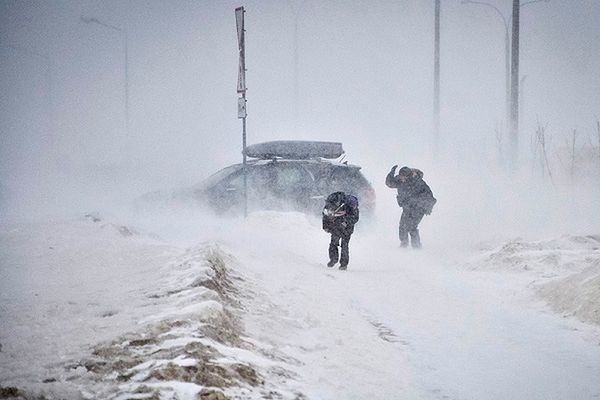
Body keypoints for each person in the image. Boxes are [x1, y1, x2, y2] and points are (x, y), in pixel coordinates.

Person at [385, 166, 436, 248]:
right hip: (407, 207)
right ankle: (404, 243)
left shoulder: (418, 183)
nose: (402, 179)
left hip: (419, 208)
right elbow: (389, 183)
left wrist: (420, 205)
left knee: (411, 227)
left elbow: (429, 197)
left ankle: (416, 246)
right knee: (402, 226)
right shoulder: (400, 181)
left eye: (404, 177)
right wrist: (391, 173)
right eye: (401, 177)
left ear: (409, 176)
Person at [322, 191, 359, 270]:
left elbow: (355, 218)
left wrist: (345, 222)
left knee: (341, 245)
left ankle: (339, 262)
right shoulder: (330, 205)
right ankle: (337, 262)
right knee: (337, 244)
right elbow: (325, 216)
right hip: (338, 227)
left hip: (345, 228)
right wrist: (326, 227)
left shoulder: (349, 205)